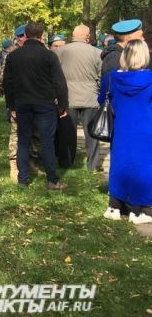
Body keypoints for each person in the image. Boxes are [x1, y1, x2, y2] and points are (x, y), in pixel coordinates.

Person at [3, 22, 69, 190]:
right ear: (41, 36)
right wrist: (63, 105)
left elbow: (8, 83)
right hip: (45, 103)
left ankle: (23, 178)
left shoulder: (13, 56)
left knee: (23, 141)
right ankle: (52, 180)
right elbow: (59, 83)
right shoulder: (48, 56)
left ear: (25, 34)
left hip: (22, 103)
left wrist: (11, 106)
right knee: (47, 141)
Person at [100, 39, 152, 224]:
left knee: (119, 163)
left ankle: (115, 205)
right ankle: (141, 210)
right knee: (145, 166)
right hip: (146, 129)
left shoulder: (112, 78)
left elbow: (101, 100)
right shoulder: (150, 79)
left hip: (120, 128)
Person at [55, 25, 102, 171]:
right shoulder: (97, 52)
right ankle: (93, 164)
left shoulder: (60, 51)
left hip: (68, 97)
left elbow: (55, 76)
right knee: (92, 133)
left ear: (73, 35)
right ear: (87, 37)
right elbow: (101, 76)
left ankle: (66, 161)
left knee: (67, 132)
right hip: (90, 96)